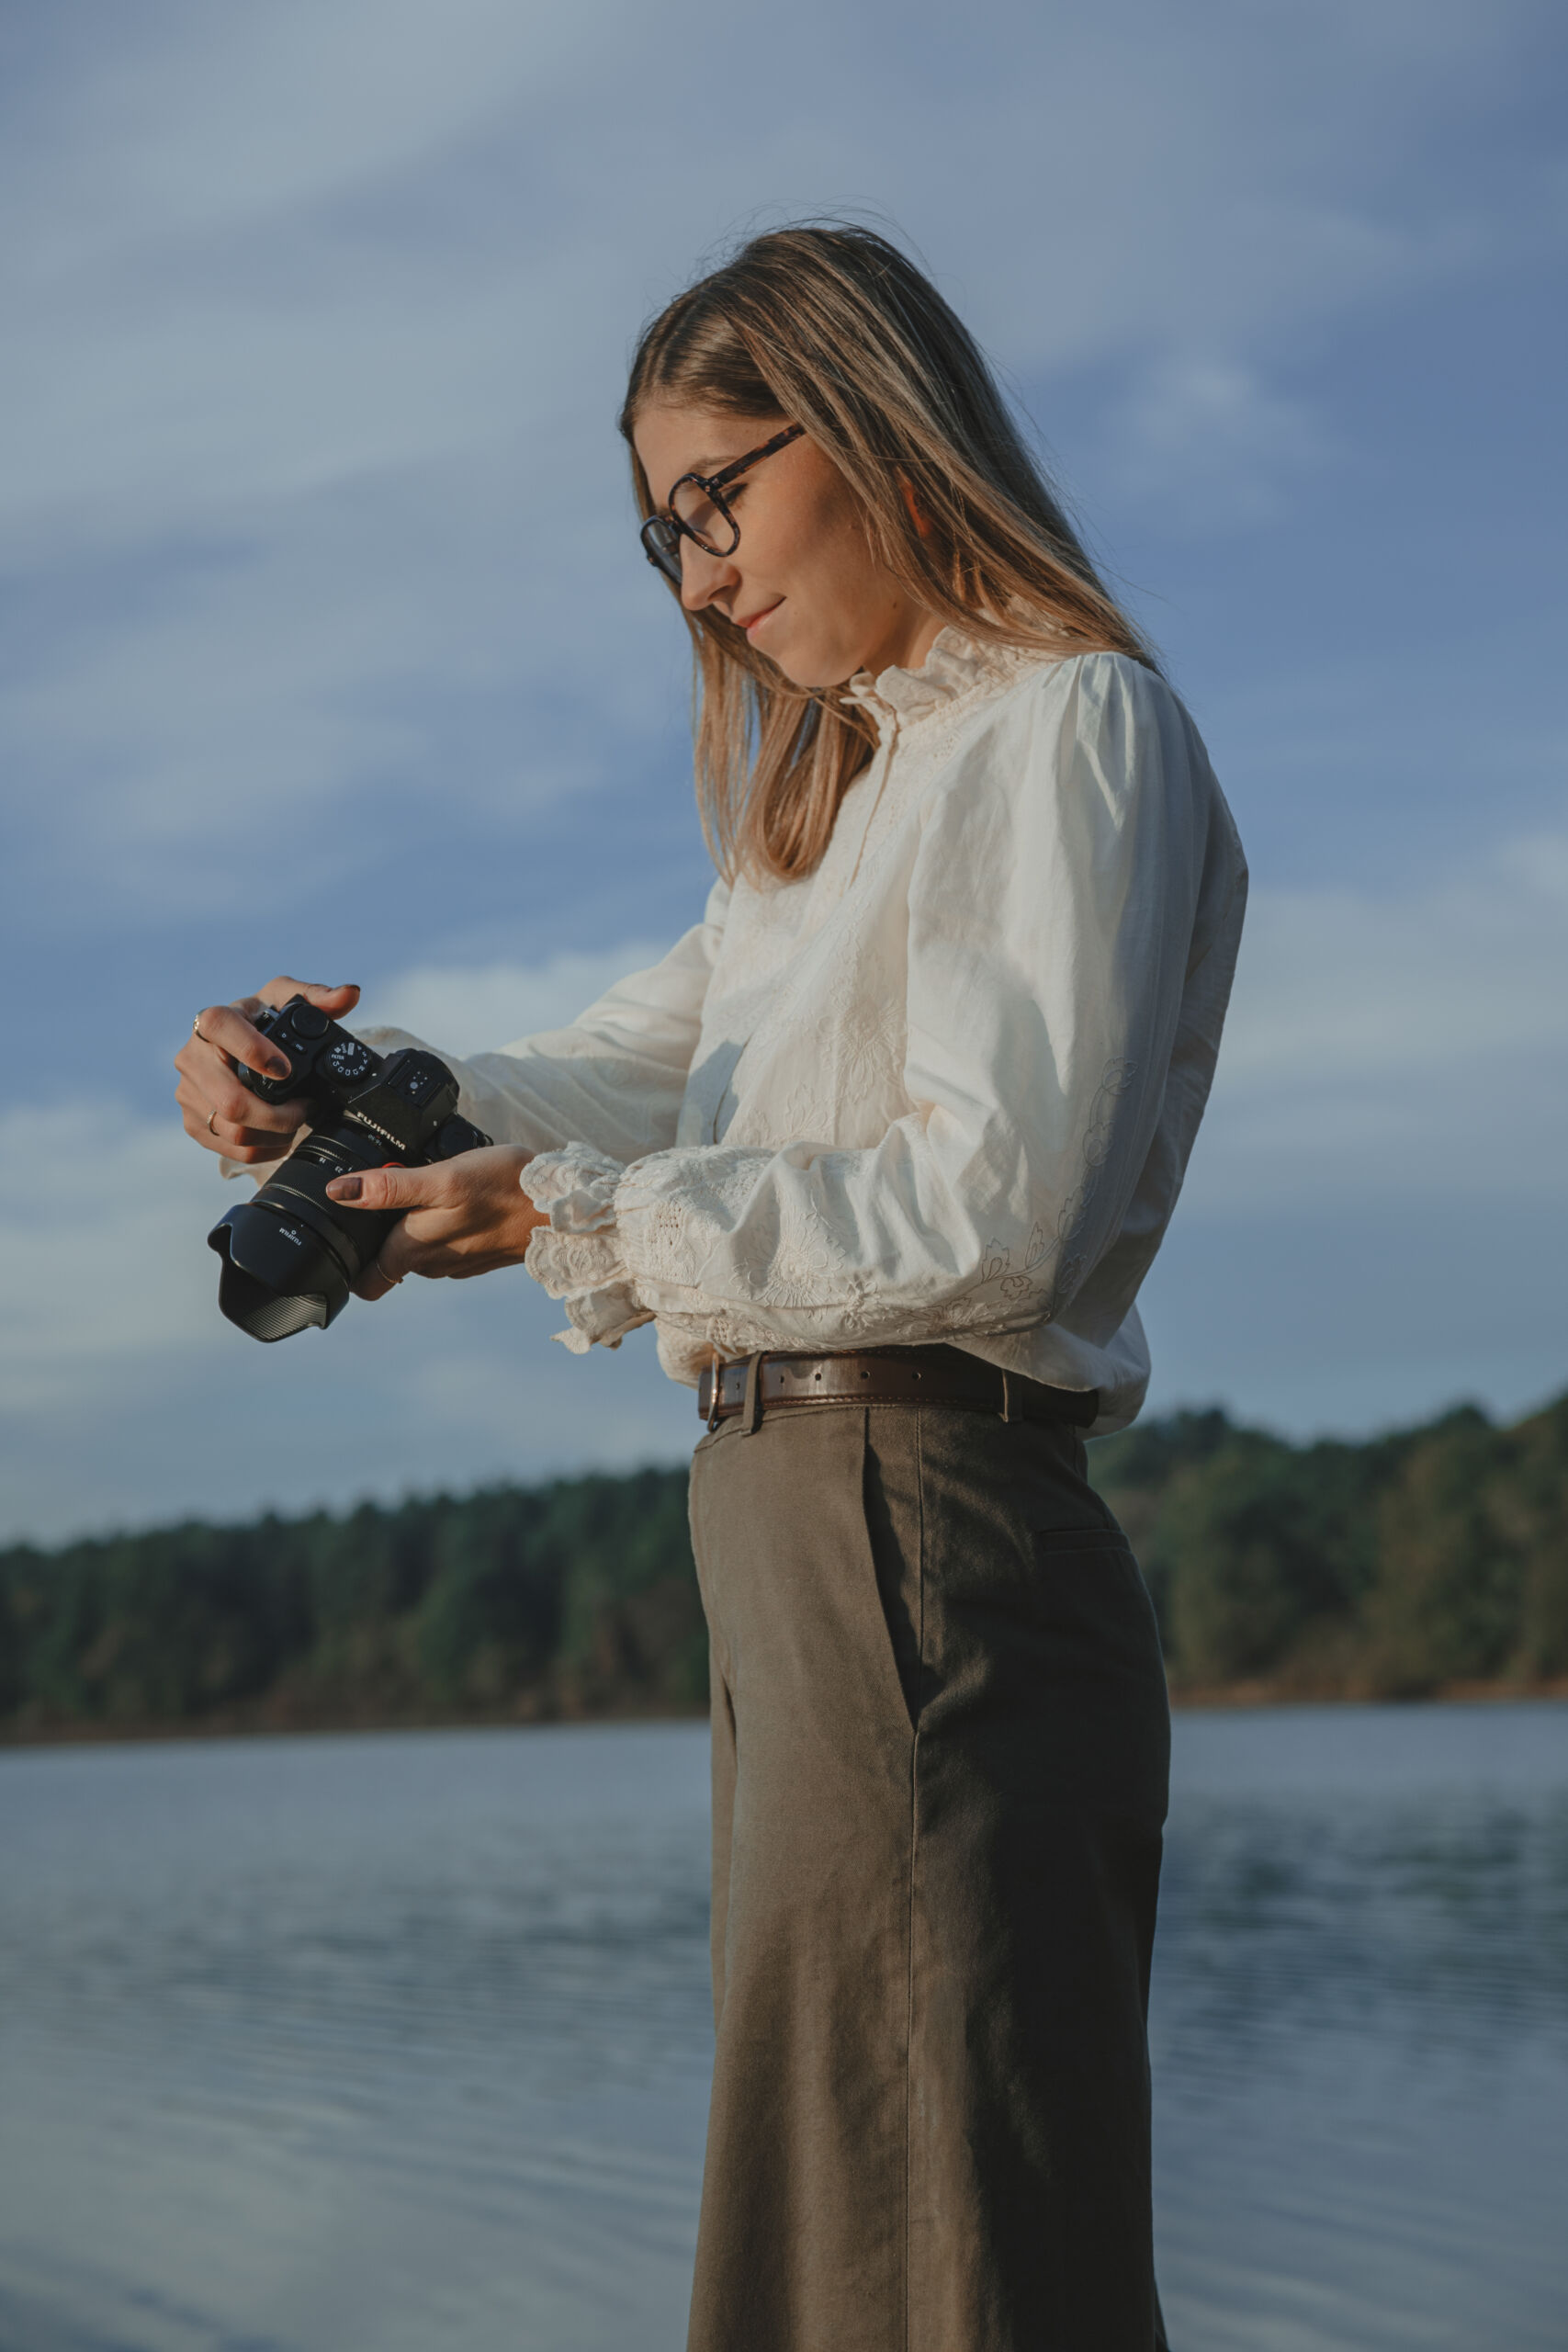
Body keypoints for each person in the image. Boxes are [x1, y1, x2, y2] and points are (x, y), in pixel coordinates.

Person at [175, 223, 1246, 2352]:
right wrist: (337, 1097)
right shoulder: (825, 820)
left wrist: (568, 1215)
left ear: (866, 421)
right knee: (843, 2214)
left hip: (921, 1530)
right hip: (799, 1535)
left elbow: (990, 1210)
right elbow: (620, 1069)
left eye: (712, 500)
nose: (695, 578)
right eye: (655, 535)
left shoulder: (1068, 729)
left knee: (946, 2241)